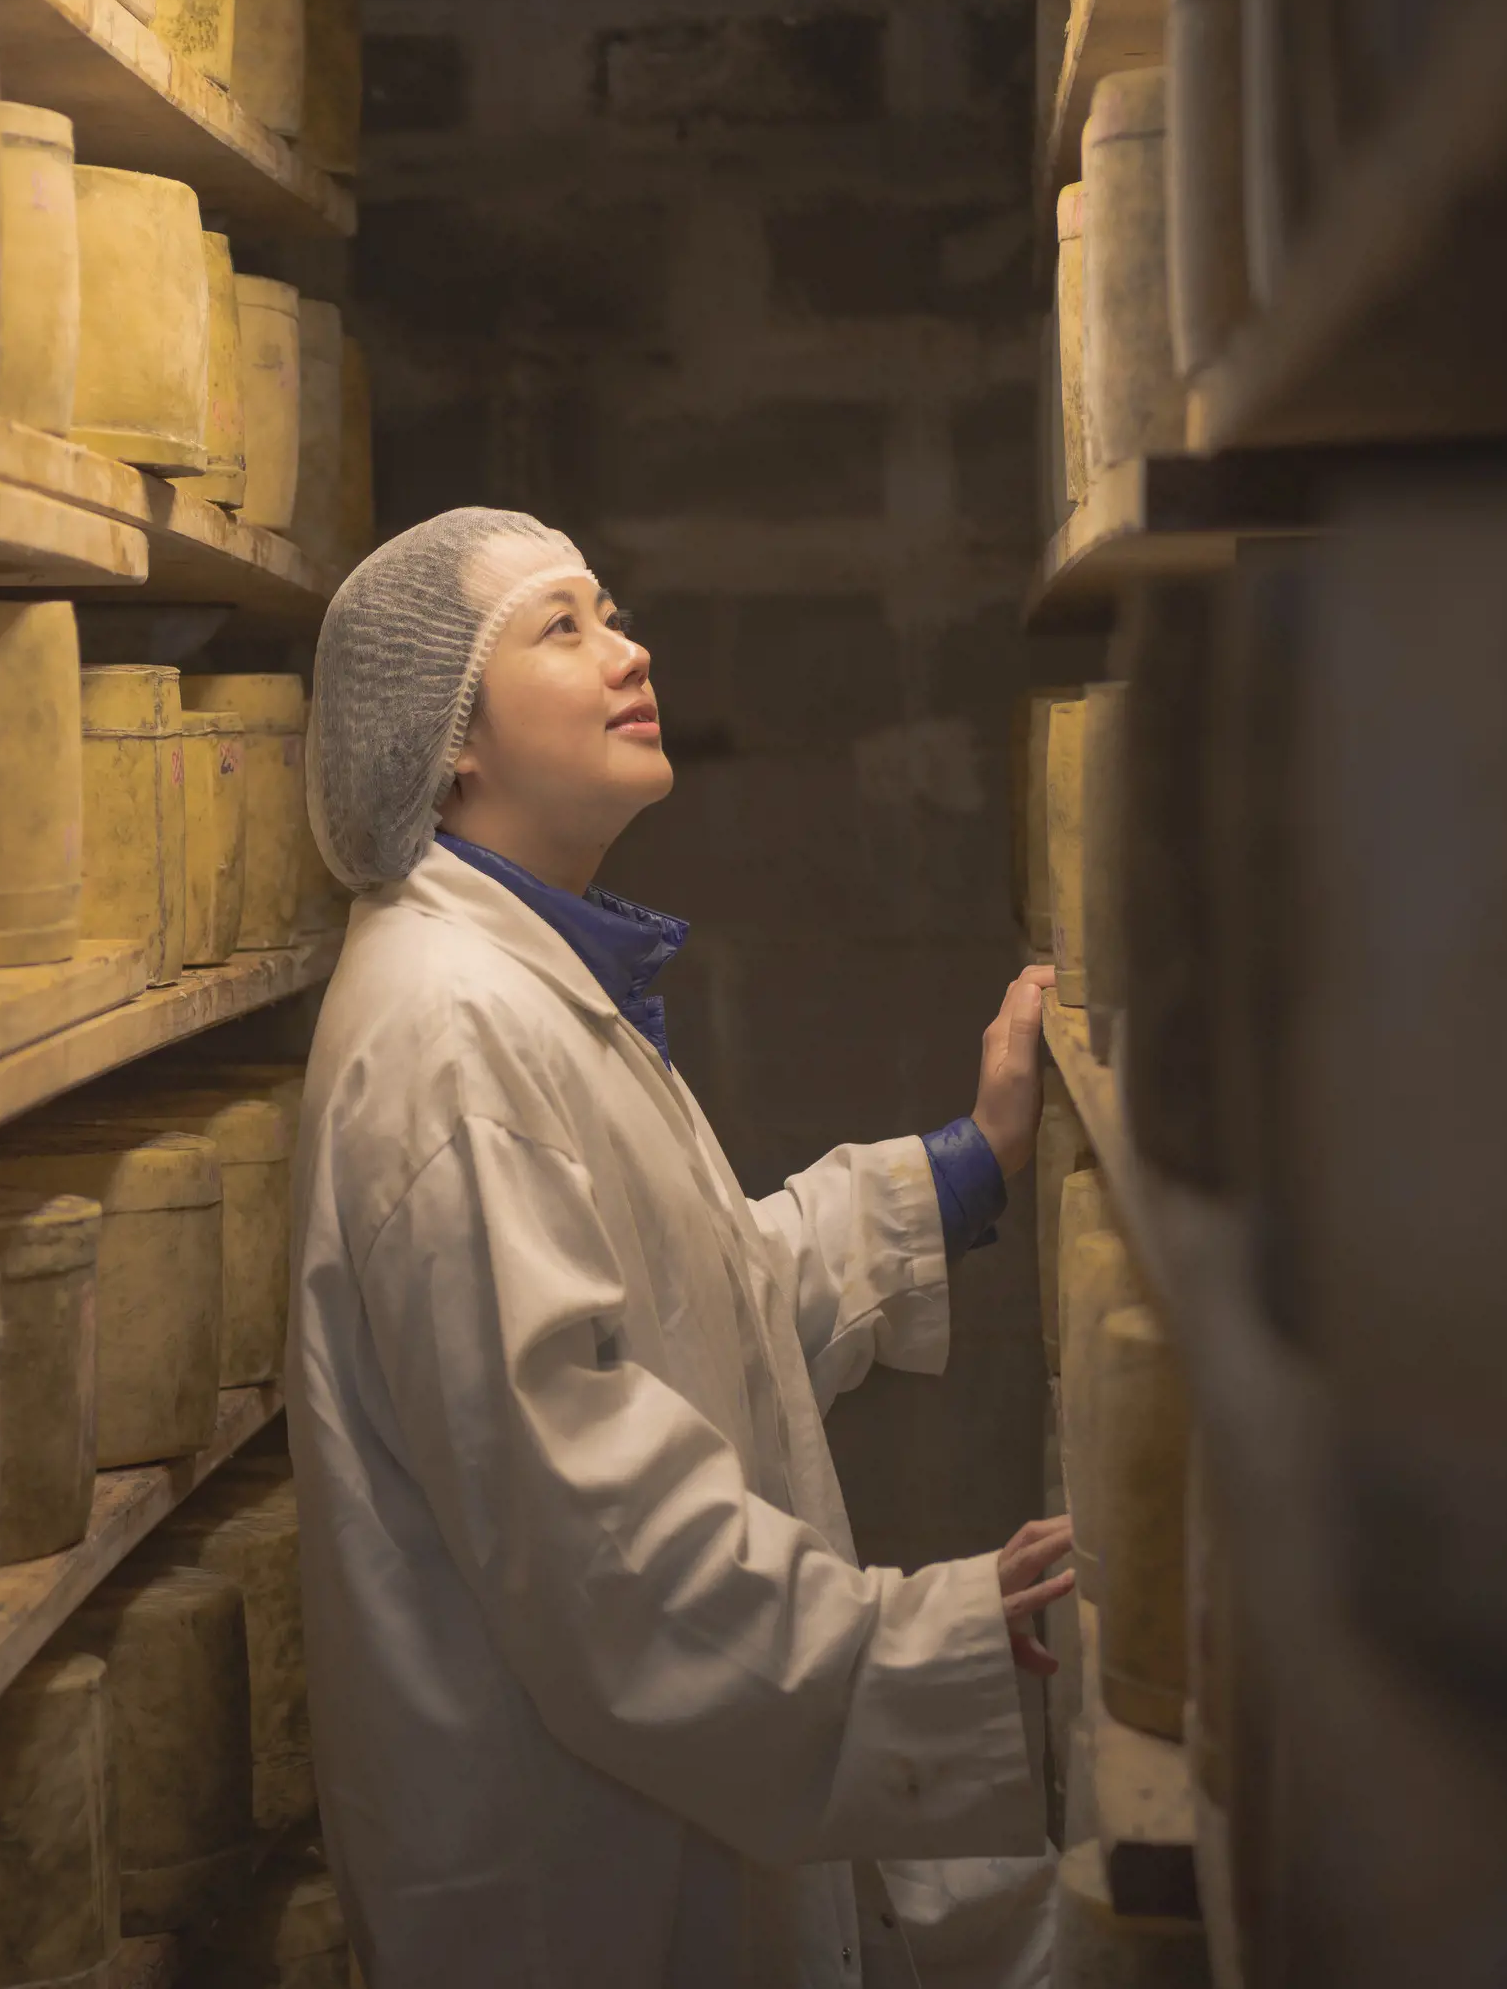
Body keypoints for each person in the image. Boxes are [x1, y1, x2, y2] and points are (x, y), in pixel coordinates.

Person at [289, 508, 1075, 1989]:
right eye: (563, 626)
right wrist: (935, 1643)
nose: (629, 650)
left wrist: (968, 1161)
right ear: (446, 737)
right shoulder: (450, 1038)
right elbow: (609, 1554)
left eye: (612, 611)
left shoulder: (522, 982)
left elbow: (686, 1308)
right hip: (579, 1897)